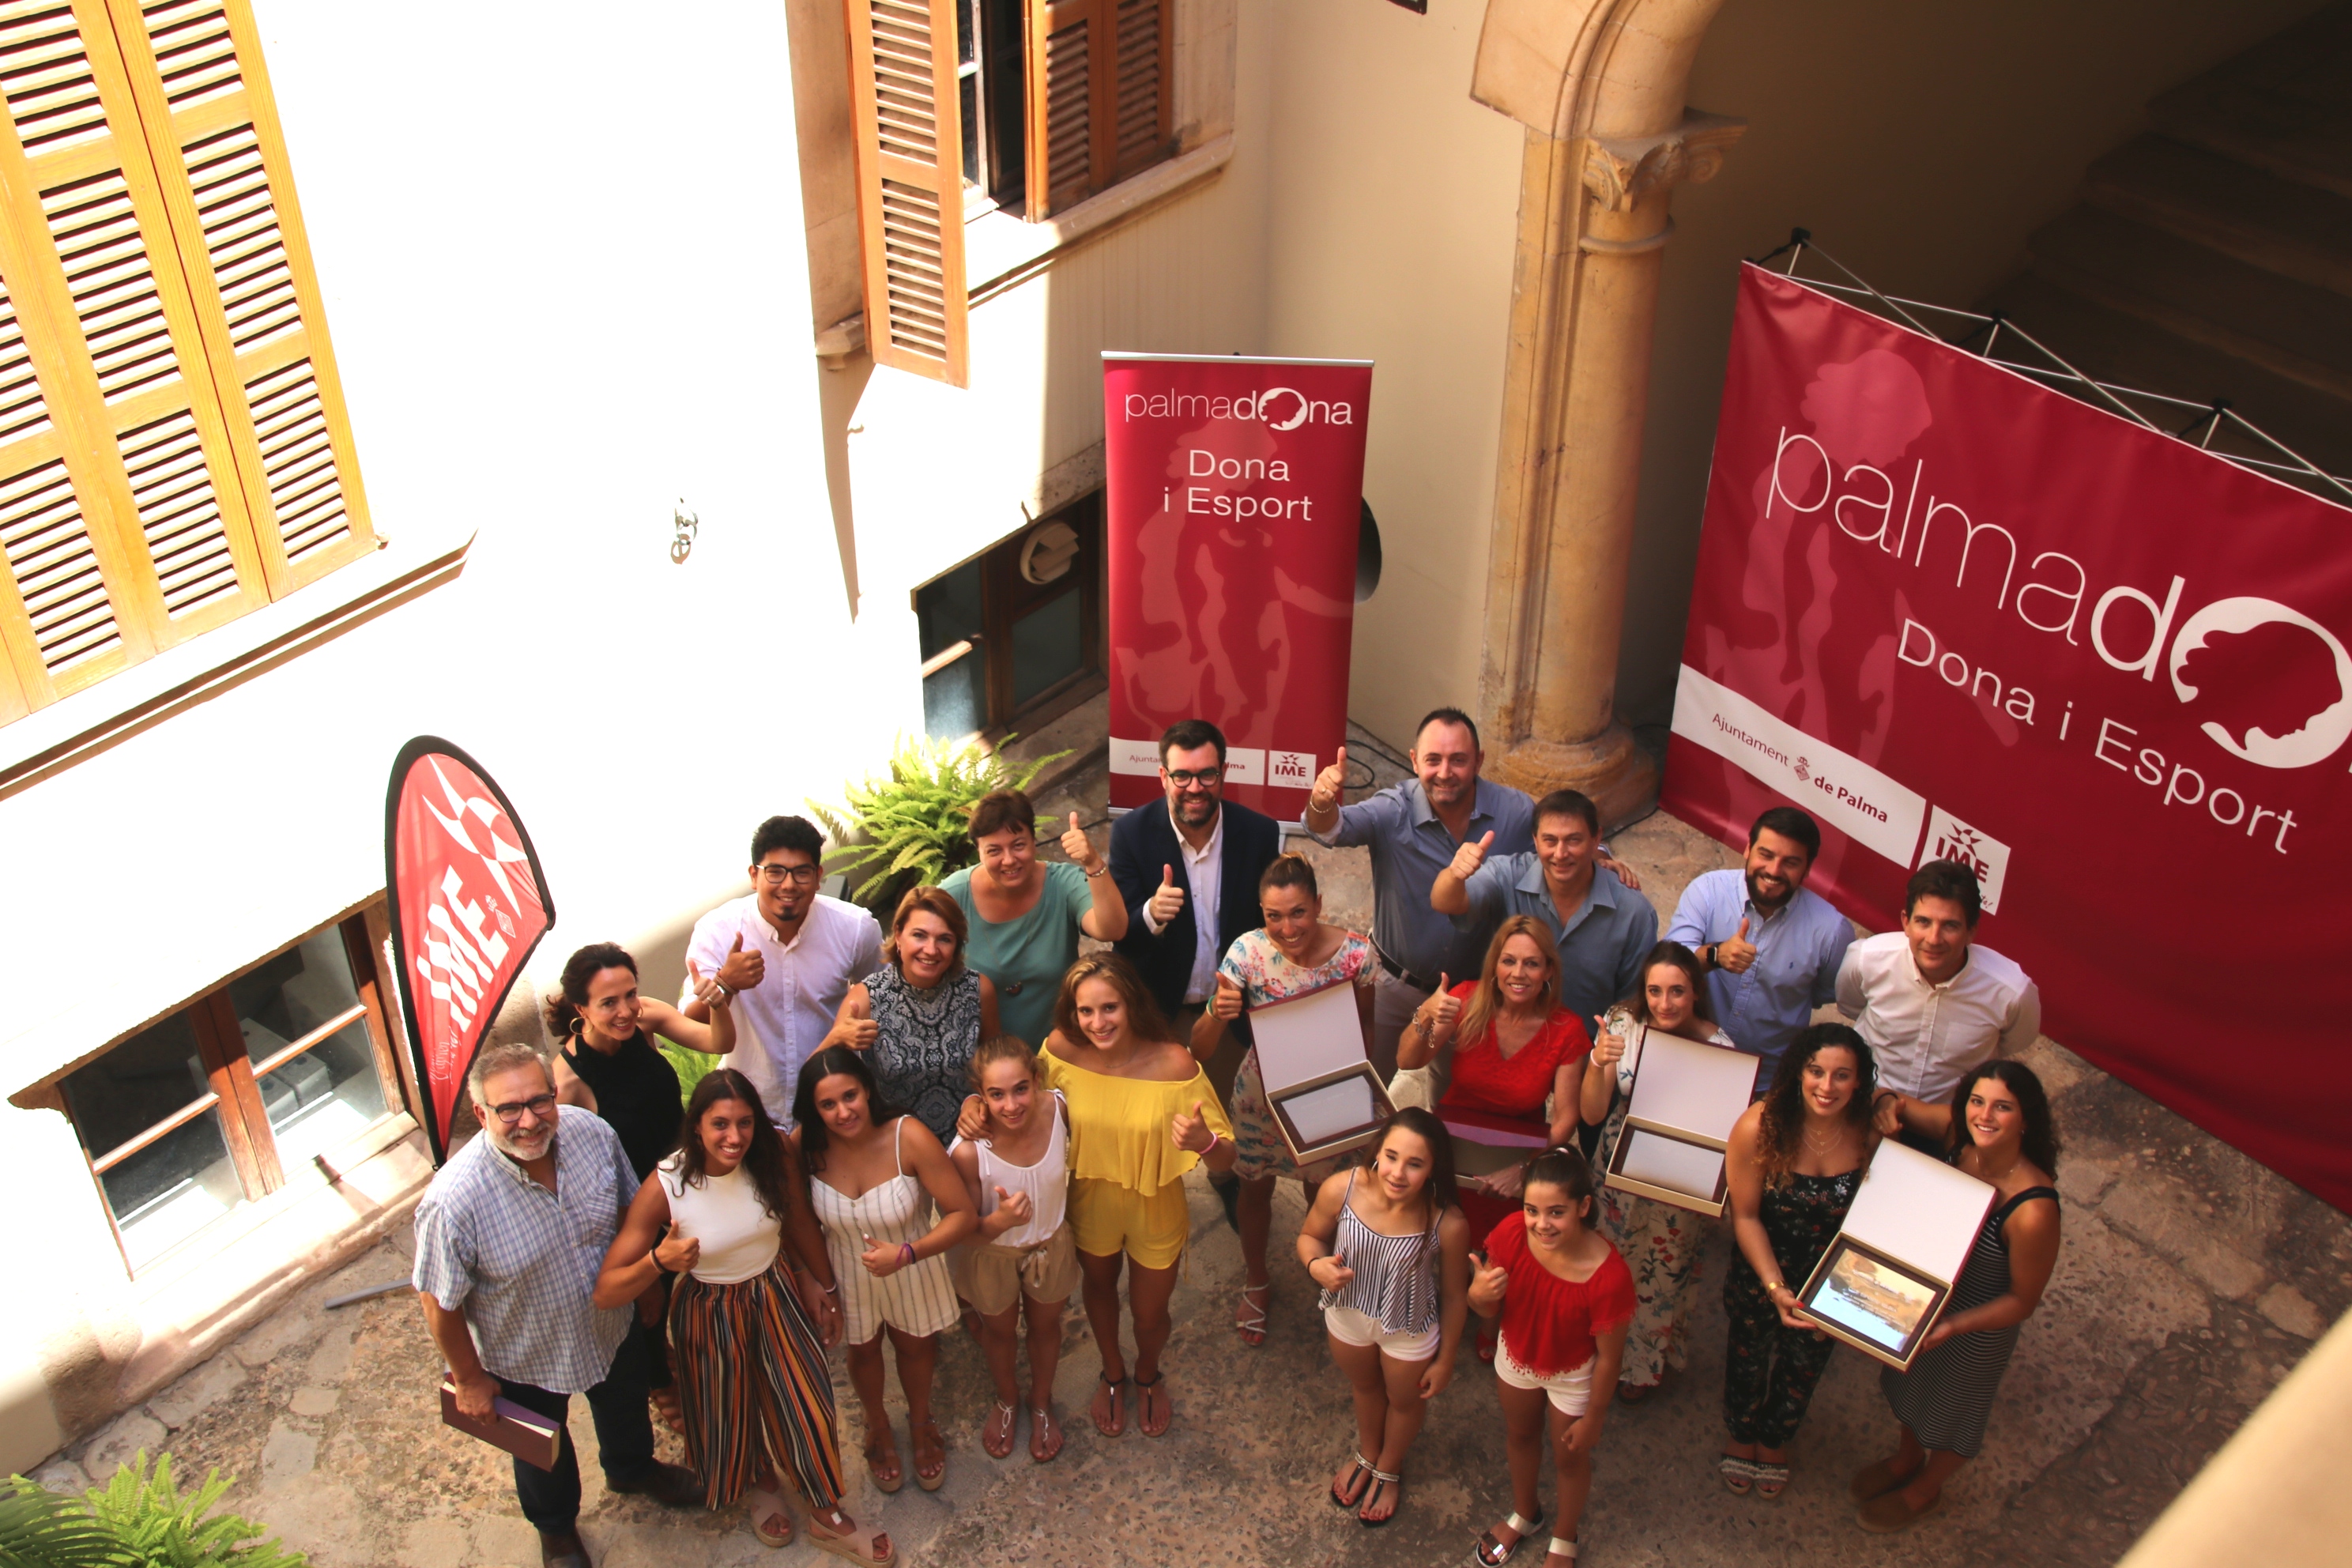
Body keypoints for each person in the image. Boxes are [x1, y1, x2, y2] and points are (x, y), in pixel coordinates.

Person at [412, 1042, 700, 1568]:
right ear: (481, 1114)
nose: (529, 1120)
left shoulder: (592, 1133)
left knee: (626, 1404)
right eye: (508, 1109)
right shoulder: (453, 1202)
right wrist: (470, 1378)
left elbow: (623, 1212)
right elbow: (439, 1303)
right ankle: (557, 1531)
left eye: (539, 1101)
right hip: (524, 1352)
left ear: (554, 1091)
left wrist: (647, 1285)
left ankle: (632, 1469)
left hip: (609, 1321)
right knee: (540, 1451)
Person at [592, 1071, 891, 1567]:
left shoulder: (769, 1156)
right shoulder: (666, 1184)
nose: (735, 1137)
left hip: (775, 1291)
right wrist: (658, 1263)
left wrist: (822, 1283)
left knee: (806, 1401)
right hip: (707, 1307)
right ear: (697, 1127)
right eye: (721, 1125)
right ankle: (760, 1480)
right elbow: (606, 1290)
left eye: (745, 1123)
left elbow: (795, 1220)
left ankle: (826, 1511)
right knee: (728, 1406)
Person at [955, 953, 1236, 1439]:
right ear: (1072, 1012)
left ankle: (1148, 1373)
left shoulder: (1175, 1062)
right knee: (1099, 1292)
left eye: (1109, 1008)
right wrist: (974, 1102)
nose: (1098, 1022)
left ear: (1131, 1003)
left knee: (1151, 1315)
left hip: (1155, 1206)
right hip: (1088, 1204)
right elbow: (1019, 1095)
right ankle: (1112, 1372)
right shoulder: (1061, 1050)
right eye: (1086, 1011)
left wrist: (1203, 1143)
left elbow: (1227, 1159)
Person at [1853, 1061, 2062, 1532]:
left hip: (1974, 1329)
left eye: (2003, 1107)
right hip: (1923, 1305)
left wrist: (1951, 1327)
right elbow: (1889, 1100)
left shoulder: (2033, 1210)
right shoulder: (1958, 1134)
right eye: (1977, 1101)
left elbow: (2022, 1301)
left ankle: (1925, 1490)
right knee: (1909, 1390)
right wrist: (1885, 1107)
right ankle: (1906, 1459)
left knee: (1953, 1416)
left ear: (2025, 1119)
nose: (1985, 1116)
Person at [548, 940, 732, 1432]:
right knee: (647, 1302)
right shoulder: (568, 1084)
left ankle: (699, 1354)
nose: (626, 1010)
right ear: (580, 1009)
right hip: (636, 1202)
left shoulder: (646, 1019)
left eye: (630, 994)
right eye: (608, 1003)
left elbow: (717, 1042)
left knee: (700, 1275)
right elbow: (583, 1178)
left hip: (685, 1174)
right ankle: (658, 1379)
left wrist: (719, 996)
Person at [1192, 854, 1375, 1347]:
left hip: (1331, 1091)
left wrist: (1363, 1096)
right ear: (1261, 912)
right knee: (1255, 1188)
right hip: (1263, 1097)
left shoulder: (1357, 955)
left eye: (1298, 912)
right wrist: (1216, 1009)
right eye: (1274, 915)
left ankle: (1325, 1270)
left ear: (1318, 903)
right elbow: (1199, 1048)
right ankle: (1257, 1279)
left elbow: (1366, 1027)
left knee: (1327, 1191)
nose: (1287, 928)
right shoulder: (1246, 954)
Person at [1303, 709, 1536, 1086]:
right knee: (1363, 1089)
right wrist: (1321, 802)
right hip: (1392, 986)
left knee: (1454, 1101)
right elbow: (1330, 831)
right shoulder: (1393, 809)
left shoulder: (1516, 811)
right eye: (1433, 760)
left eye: (1458, 760)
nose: (1445, 772)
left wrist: (1603, 859)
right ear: (1414, 760)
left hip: (1471, 998)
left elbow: (1562, 836)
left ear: (1479, 760)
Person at [792, 1047, 978, 1496]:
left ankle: (919, 1421)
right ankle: (877, 1426)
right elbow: (794, 1221)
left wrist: (908, 1253)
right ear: (813, 1109)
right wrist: (814, 1279)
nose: (843, 1112)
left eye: (850, 1096)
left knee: (916, 1348)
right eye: (828, 1104)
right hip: (843, 1268)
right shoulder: (804, 1146)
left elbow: (962, 1215)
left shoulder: (907, 1136)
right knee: (863, 1351)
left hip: (910, 1261)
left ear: (868, 1088)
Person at [1718, 1023, 1883, 1500]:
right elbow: (1745, 1215)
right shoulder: (1759, 1124)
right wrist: (1775, 1288)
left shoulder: (1867, 1130)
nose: (1826, 1087)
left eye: (1841, 1076)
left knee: (1805, 1367)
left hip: (1831, 1281)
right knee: (1747, 1357)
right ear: (1798, 1073)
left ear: (1859, 1082)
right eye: (1816, 1072)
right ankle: (1741, 1432)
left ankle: (1776, 1437)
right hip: (1761, 1271)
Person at [1580, 941, 1742, 1404]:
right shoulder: (1622, 1025)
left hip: (1680, 1176)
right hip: (1617, 1164)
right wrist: (1598, 1062)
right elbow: (1591, 1115)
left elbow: (1721, 1136)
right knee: (1606, 1261)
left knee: (1660, 1274)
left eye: (1677, 992)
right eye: (1655, 991)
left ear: (1695, 993)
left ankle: (1639, 1364)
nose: (1664, 1003)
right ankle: (1593, 1347)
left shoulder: (1719, 1048)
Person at [1296, 1107, 1472, 1528]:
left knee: (1405, 1400)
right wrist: (1314, 1265)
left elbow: (1453, 1296)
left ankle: (1389, 1468)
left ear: (1433, 1169)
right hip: (1348, 1316)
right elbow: (1309, 1237)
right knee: (1365, 1385)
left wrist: (1446, 1359)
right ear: (1377, 1153)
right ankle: (1367, 1452)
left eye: (1415, 1164)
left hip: (1408, 1330)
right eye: (1391, 1156)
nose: (1398, 1173)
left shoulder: (1447, 1222)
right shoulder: (1343, 1187)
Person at [1465, 1146, 1634, 1568]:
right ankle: (1526, 1513)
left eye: (1556, 1212)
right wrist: (1476, 1296)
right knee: (1520, 1435)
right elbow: (1487, 1308)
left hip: (1573, 1375)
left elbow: (1610, 1360)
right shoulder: (1509, 1235)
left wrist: (1594, 1416)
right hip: (1517, 1357)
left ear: (1584, 1207)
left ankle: (1565, 1534)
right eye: (1532, 1210)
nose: (1542, 1224)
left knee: (1570, 1460)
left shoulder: (1609, 1277)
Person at [1107, 718, 1284, 1095]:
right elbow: (1121, 935)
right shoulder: (1130, 834)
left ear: (1223, 771)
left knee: (1220, 1117)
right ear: (1163, 777)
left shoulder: (1260, 834)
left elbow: (1268, 928)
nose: (1195, 788)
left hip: (1228, 1017)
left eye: (1206, 775)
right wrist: (1151, 914)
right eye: (1182, 777)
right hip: (1157, 1017)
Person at [682, 815, 883, 1129]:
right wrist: (726, 984)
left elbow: (883, 999)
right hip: (750, 1107)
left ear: (818, 877)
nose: (788, 885)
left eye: (801, 873)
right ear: (754, 875)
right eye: (775, 872)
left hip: (830, 1103)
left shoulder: (855, 928)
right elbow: (691, 1020)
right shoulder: (718, 930)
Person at [1402, 917, 1586, 1249]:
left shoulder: (1566, 1029)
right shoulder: (1468, 999)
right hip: (1452, 1145)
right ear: (1495, 965)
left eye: (1531, 964)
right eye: (1509, 961)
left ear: (1548, 972)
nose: (1518, 973)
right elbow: (1408, 1060)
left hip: (1516, 1158)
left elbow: (1566, 1120)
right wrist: (1427, 1013)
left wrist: (1522, 1169)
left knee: (1500, 1255)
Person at [1434, 789, 1657, 1047]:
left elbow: (1631, 1006)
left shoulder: (1634, 914)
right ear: (1535, 840)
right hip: (1506, 1044)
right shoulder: (1508, 875)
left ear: (1597, 839)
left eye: (1573, 840)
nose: (1561, 854)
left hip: (1583, 1055)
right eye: (1550, 841)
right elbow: (1445, 902)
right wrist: (1454, 874)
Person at [947, 1037, 1080, 1464]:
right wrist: (998, 1222)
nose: (1011, 1106)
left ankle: (1040, 1403)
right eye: (996, 1095)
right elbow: (961, 1232)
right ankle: (1007, 1399)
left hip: (1050, 1245)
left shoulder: (1059, 1110)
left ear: (1037, 1081)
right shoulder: (970, 1153)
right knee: (1000, 1332)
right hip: (993, 1255)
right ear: (980, 1097)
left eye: (1020, 1089)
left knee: (1046, 1327)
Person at [1664, 806, 1856, 1078]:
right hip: (1685, 1055)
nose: (1773, 870)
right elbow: (1667, 966)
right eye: (1765, 855)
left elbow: (1823, 993)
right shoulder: (1707, 892)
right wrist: (1715, 956)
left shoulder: (1831, 931)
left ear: (1808, 868)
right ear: (1747, 849)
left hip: (1767, 1079)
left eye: (1790, 862)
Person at [1836, 860, 2041, 1113]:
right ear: (1905, 922)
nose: (1934, 939)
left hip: (1949, 1121)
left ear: (1971, 931)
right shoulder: (1866, 959)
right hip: (1866, 1104)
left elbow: (2015, 1040)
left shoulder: (2010, 992)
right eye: (1923, 922)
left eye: (1950, 926)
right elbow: (1850, 1004)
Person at [940, 790, 1128, 1049]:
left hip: (1061, 1049)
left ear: (1034, 841)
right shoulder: (954, 895)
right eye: (994, 850)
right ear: (978, 851)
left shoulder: (1062, 883)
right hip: (984, 1058)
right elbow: (909, 952)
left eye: (1018, 845)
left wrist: (1093, 862)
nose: (1008, 860)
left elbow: (1112, 929)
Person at [823, 886, 1000, 1144]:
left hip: (967, 1142)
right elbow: (820, 1081)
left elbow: (996, 1066)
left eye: (944, 939)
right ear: (898, 934)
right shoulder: (865, 999)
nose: (931, 950)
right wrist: (835, 1039)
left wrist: (979, 1100)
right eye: (919, 935)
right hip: (895, 1148)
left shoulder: (977, 991)